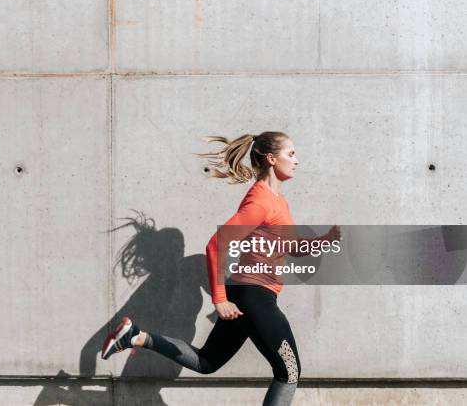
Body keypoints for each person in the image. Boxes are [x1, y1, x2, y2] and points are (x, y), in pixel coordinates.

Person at [100, 131, 341, 405]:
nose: (296, 160)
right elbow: (217, 245)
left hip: (251, 296)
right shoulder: (260, 201)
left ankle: (135, 336)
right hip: (255, 295)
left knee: (206, 361)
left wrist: (323, 242)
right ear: (272, 159)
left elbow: (291, 247)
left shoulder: (277, 202)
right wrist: (220, 299)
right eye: (291, 154)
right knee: (289, 372)